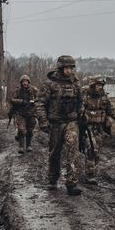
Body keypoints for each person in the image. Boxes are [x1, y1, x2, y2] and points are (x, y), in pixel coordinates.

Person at [35, 55, 84, 196]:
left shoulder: (76, 83)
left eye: (71, 68)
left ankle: (71, 183)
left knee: (72, 149)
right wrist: (43, 121)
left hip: (71, 122)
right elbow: (40, 104)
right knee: (54, 153)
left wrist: (81, 112)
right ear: (61, 68)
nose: (70, 70)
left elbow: (80, 101)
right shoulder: (50, 84)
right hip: (55, 123)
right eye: (67, 68)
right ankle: (52, 179)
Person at [81, 75, 115, 185]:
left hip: (100, 127)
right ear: (92, 85)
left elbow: (112, 110)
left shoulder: (104, 97)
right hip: (87, 127)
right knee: (92, 148)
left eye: (101, 85)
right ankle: (89, 175)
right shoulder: (84, 96)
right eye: (98, 85)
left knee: (97, 152)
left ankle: (90, 170)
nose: (100, 87)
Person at [10, 74, 38, 154]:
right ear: (21, 82)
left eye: (26, 81)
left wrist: (34, 101)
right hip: (21, 113)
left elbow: (40, 97)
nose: (25, 83)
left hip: (31, 113)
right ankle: (21, 147)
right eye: (23, 81)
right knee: (21, 130)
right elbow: (12, 99)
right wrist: (21, 101)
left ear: (28, 82)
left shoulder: (34, 89)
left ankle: (29, 145)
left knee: (30, 130)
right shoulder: (18, 91)